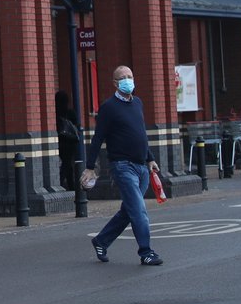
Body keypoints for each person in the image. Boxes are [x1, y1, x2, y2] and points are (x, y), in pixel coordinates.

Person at [80, 65, 164, 266]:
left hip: (141, 167)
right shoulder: (108, 108)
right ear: (115, 84)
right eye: (123, 78)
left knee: (129, 209)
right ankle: (146, 252)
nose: (128, 80)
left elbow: (141, 134)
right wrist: (90, 167)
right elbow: (97, 138)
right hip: (123, 166)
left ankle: (101, 240)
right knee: (138, 210)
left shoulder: (138, 104)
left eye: (130, 76)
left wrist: (150, 159)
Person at [55, 90, 81, 190]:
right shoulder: (70, 112)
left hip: (61, 142)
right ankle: (65, 183)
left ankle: (70, 185)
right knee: (68, 164)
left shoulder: (55, 113)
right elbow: (76, 125)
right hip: (71, 142)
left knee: (67, 164)